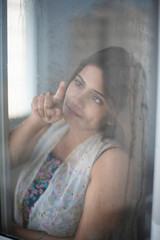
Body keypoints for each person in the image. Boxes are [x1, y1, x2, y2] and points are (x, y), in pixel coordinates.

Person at [10, 47, 139, 240]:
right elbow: (6, 161)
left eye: (96, 98)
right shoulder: (53, 126)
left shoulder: (112, 161)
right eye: (78, 83)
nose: (77, 100)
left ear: (111, 116)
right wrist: (34, 121)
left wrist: (10, 230)